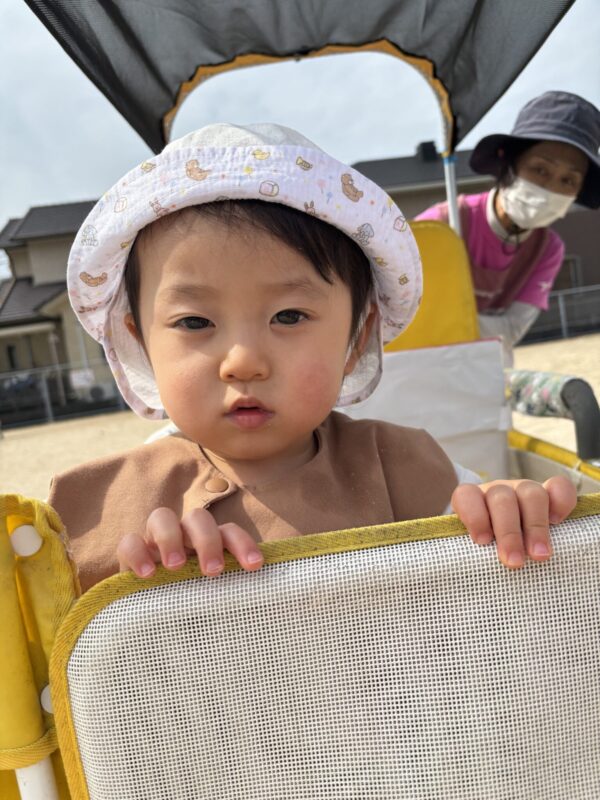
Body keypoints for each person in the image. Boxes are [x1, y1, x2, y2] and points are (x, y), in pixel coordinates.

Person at [48, 122, 576, 593]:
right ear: (141, 342)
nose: (243, 362)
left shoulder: (404, 467)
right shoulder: (109, 504)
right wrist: (140, 583)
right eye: (194, 322)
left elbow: (483, 554)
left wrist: (502, 507)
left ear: (356, 339)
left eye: (289, 316)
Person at [416, 91, 600, 363]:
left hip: (489, 369)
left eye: (568, 181)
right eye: (540, 170)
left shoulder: (548, 250)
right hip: (420, 365)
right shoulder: (441, 226)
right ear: (508, 162)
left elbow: (512, 328)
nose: (550, 188)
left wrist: (447, 320)